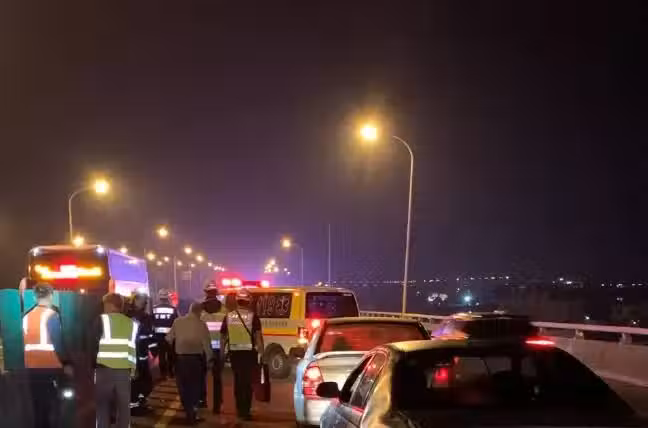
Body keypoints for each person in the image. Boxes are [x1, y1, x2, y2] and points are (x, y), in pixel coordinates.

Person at [22, 282, 72, 428]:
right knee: (54, 405)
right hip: (51, 367)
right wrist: (67, 364)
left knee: (38, 406)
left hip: (32, 367)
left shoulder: (26, 317)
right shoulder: (52, 315)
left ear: (35, 297)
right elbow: (58, 343)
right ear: (51, 295)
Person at [92, 293, 139, 428]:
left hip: (104, 369)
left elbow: (92, 345)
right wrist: (133, 370)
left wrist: (92, 366)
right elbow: (132, 348)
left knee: (102, 405)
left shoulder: (101, 320)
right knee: (124, 407)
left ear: (109, 304)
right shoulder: (132, 323)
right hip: (124, 371)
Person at [220, 289, 264, 421]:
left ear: (237, 301)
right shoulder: (253, 317)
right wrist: (262, 354)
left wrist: (222, 353)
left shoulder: (229, 316)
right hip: (249, 355)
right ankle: (246, 411)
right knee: (248, 383)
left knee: (238, 381)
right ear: (248, 301)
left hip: (235, 355)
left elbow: (223, 337)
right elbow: (258, 338)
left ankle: (239, 409)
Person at [166, 302, 212, 424]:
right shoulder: (201, 325)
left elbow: (168, 339)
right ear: (199, 312)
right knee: (195, 387)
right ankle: (192, 412)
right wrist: (209, 360)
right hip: (195, 361)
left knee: (183, 386)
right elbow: (207, 345)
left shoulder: (177, 322)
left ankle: (187, 410)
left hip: (180, 360)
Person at [126, 291, 157, 412]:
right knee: (136, 380)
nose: (144, 303)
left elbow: (150, 335)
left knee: (144, 380)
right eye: (142, 301)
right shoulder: (129, 316)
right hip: (133, 354)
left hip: (140, 355)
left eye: (145, 301)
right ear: (135, 300)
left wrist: (154, 350)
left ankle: (140, 401)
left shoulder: (145, 317)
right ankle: (135, 405)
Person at [200, 282, 226, 414]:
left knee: (201, 376)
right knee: (217, 378)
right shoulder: (224, 309)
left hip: (203, 348)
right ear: (216, 293)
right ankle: (217, 405)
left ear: (206, 293)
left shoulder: (200, 309)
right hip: (218, 348)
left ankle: (202, 401)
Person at [152, 289, 179, 379]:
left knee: (161, 355)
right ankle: (170, 372)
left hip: (158, 336)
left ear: (159, 298)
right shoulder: (173, 309)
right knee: (170, 354)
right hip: (170, 336)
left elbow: (152, 322)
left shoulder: (154, 309)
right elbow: (176, 321)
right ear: (167, 298)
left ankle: (163, 374)